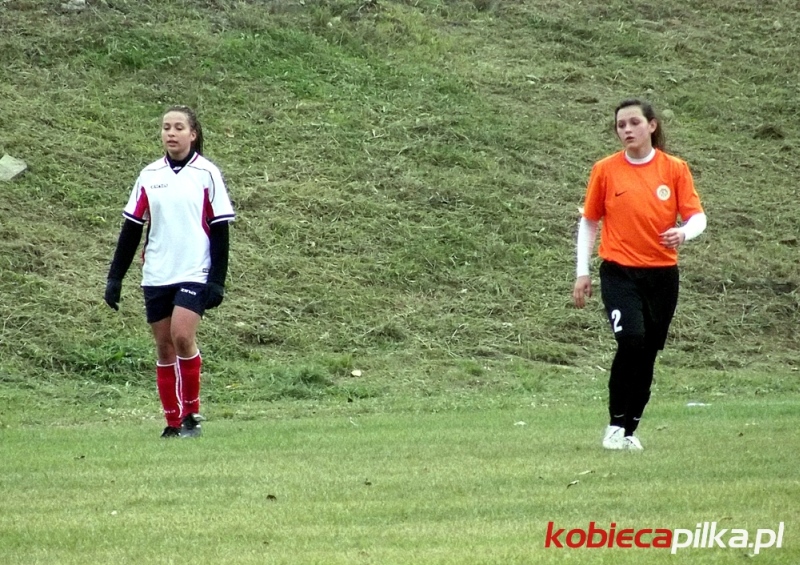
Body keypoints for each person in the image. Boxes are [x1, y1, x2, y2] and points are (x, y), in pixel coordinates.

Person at [572, 99, 707, 451]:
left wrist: (683, 233)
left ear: (652, 125)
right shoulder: (605, 170)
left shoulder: (674, 169)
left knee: (647, 352)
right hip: (619, 272)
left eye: (634, 122)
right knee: (631, 340)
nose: (627, 130)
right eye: (621, 125)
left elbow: (697, 217)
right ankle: (614, 425)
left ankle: (630, 430)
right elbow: (589, 221)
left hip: (662, 276)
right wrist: (582, 272)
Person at [104, 105, 235, 438]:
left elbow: (220, 229)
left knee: (182, 336)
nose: (171, 133)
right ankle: (172, 422)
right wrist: (115, 277)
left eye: (179, 127)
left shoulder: (206, 173)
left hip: (195, 271)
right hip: (157, 273)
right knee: (164, 347)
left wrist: (217, 281)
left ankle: (192, 415)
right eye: (166, 127)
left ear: (193, 134)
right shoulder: (150, 175)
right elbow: (131, 229)